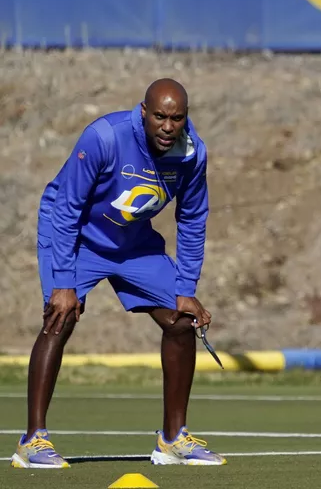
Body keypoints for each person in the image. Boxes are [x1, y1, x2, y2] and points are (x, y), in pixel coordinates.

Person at [11, 78, 226, 468]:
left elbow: (193, 220)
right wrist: (63, 282)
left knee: (181, 321)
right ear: (143, 113)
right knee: (61, 316)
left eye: (176, 118)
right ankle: (32, 441)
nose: (167, 126)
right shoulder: (104, 137)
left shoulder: (193, 154)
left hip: (133, 243)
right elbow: (67, 208)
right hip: (78, 239)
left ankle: (173, 439)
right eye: (159, 116)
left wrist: (186, 287)